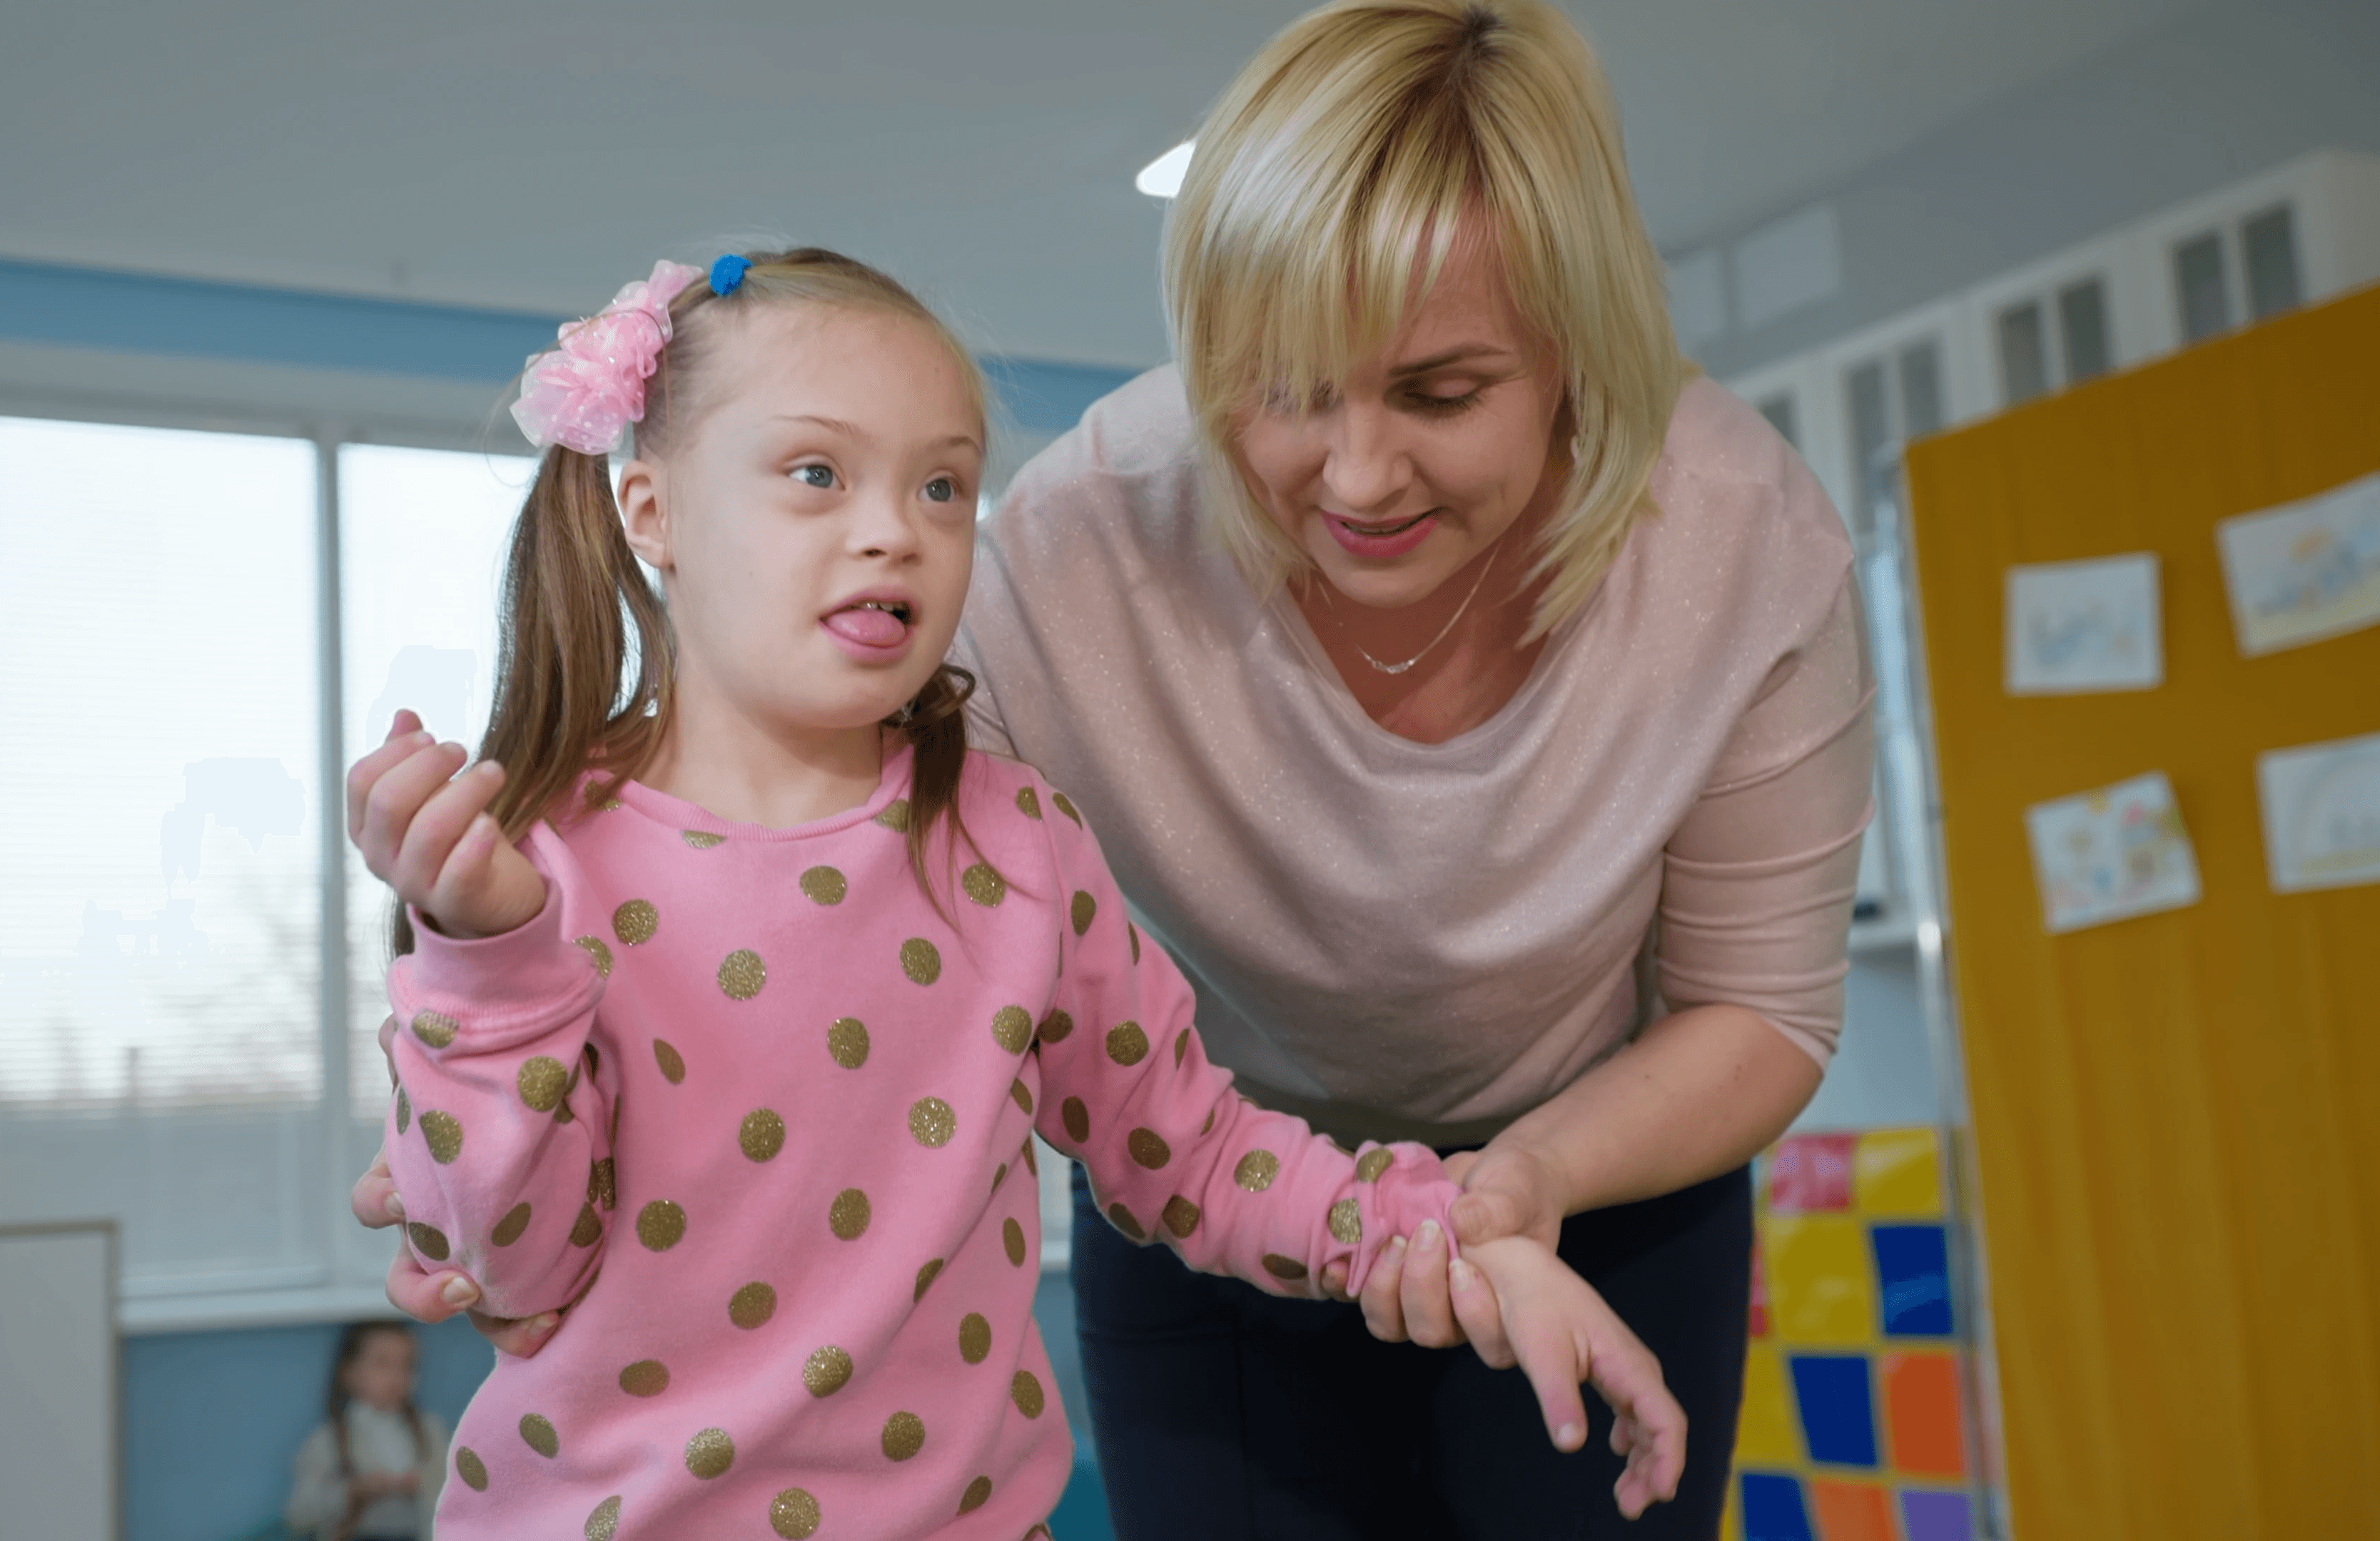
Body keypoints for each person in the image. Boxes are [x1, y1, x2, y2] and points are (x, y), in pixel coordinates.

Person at [340, 246, 1685, 1539]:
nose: (897, 532)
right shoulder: (533, 864)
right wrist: (485, 958)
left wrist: (1452, 1233)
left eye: (943, 488)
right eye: (818, 473)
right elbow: (509, 1266)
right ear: (654, 511)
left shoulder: (1016, 842)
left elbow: (1197, 1153)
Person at [945, 1, 1878, 1535]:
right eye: (1283, 388)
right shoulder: (1072, 552)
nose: (1358, 476)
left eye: (1440, 394)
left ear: (1577, 345)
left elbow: (1757, 1007)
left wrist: (1521, 1182)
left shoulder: (1741, 541)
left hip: (1603, 1189)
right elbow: (882, 924)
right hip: (1211, 1187)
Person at [284, 1321, 450, 1541]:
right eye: (382, 1364)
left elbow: (457, 1495)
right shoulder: (330, 1439)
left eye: (407, 1365)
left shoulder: (430, 1431)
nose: (396, 1377)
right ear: (349, 1373)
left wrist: (422, 1483)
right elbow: (298, 1515)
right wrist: (353, 1490)